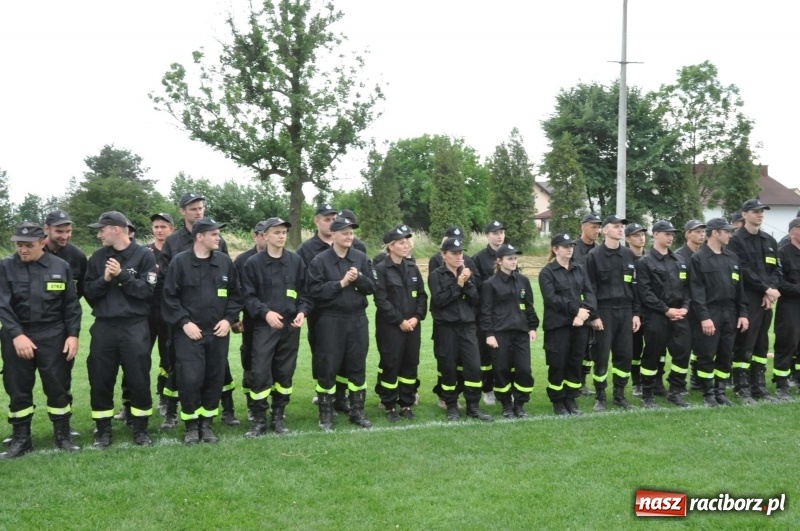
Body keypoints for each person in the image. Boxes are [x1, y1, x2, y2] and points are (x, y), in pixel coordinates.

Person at [0, 223, 81, 459]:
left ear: (43, 243)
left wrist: (73, 335)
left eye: (28, 245)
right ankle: (21, 439)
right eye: (19, 245)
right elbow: (2, 304)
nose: (23, 250)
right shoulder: (5, 266)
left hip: (53, 334)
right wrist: (17, 335)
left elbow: (71, 305)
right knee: (17, 387)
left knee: (58, 386)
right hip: (17, 335)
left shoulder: (60, 266)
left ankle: (62, 435)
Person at [161, 218, 243, 445]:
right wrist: (184, 322)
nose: (219, 238)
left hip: (217, 334)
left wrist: (228, 320)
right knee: (190, 379)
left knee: (213, 378)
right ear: (199, 236)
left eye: (218, 234)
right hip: (189, 334)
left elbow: (236, 296)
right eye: (214, 234)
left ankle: (206, 425)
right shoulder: (180, 262)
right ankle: (191, 426)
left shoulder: (224, 262)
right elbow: (169, 297)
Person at [84, 211, 157, 448]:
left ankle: (140, 429)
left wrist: (122, 275)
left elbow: (147, 292)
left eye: (101, 229)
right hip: (104, 327)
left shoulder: (144, 256)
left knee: (138, 378)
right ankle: (103, 430)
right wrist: (105, 279)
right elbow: (88, 293)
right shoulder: (97, 258)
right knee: (100, 378)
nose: (98, 235)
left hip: (134, 327)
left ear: (116, 229)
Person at [241, 217, 311, 436]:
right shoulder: (253, 263)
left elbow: (305, 292)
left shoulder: (296, 261)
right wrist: (266, 313)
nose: (281, 236)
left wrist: (302, 312)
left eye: (284, 232)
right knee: (260, 372)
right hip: (264, 327)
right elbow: (248, 296)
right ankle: (259, 420)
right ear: (265, 236)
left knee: (285, 372)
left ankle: (278, 417)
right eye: (276, 232)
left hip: (290, 327)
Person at [307, 216, 376, 430]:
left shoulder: (360, 257)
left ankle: (357, 412)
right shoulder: (320, 261)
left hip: (357, 319)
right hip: (330, 320)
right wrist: (341, 283)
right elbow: (315, 291)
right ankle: (326, 415)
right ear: (333, 235)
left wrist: (359, 279)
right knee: (328, 366)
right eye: (345, 233)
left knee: (357, 364)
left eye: (351, 233)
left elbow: (373, 287)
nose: (349, 236)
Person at [429, 237, 492, 422]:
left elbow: (475, 299)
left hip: (467, 326)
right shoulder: (436, 275)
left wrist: (467, 283)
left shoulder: (466, 272)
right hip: (446, 327)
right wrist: (458, 284)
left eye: (460, 253)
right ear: (444, 255)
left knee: (473, 367)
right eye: (454, 253)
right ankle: (451, 406)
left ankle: (473, 406)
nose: (459, 257)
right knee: (448, 367)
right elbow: (440, 301)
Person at [689, 218, 749, 406]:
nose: (730, 234)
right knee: (707, 354)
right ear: (715, 233)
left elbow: (740, 289)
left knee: (725, 353)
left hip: (730, 312)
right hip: (711, 311)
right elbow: (696, 291)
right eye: (727, 231)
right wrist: (704, 317)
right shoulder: (698, 258)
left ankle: (720, 392)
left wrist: (743, 313)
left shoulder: (732, 257)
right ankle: (708, 393)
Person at [727, 199, 782, 402]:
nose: (760, 215)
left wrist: (771, 290)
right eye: (755, 211)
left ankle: (758, 386)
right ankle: (742, 387)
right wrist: (766, 289)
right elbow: (742, 270)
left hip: (766, 299)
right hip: (747, 298)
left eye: (762, 212)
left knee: (761, 342)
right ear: (744, 214)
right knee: (745, 342)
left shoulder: (769, 240)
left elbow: (776, 269)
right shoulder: (735, 240)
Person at [585, 215, 641, 411]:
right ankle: (600, 396)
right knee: (601, 355)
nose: (620, 229)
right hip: (604, 311)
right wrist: (594, 316)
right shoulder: (594, 255)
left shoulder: (628, 254)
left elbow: (634, 286)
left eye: (621, 227)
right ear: (605, 230)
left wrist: (636, 313)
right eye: (615, 226)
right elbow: (589, 288)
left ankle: (619, 395)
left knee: (624, 354)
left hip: (625, 311)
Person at [635, 221, 692, 408]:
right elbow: (645, 293)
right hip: (657, 316)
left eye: (672, 234)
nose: (670, 237)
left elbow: (687, 288)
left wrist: (685, 307)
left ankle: (675, 391)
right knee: (652, 354)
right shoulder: (645, 262)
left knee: (682, 353)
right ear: (656, 235)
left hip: (679, 315)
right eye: (667, 234)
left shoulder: (679, 260)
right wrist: (666, 310)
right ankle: (648, 394)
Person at [373, 224, 427, 421]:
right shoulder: (381, 269)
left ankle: (406, 403)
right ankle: (389, 405)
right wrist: (400, 320)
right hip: (390, 328)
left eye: (407, 242)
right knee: (391, 363)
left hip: (412, 326)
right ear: (391, 246)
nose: (406, 246)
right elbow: (381, 300)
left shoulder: (412, 268)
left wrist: (416, 317)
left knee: (410, 364)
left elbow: (422, 296)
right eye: (401, 243)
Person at [538, 233, 596, 416]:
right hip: (558, 326)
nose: (570, 249)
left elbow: (589, 293)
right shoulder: (547, 272)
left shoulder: (579, 269)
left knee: (575, 362)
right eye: (565, 246)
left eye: (571, 246)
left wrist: (584, 315)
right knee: (558, 363)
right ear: (555, 249)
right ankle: (557, 401)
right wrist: (576, 311)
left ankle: (571, 398)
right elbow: (552, 299)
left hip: (580, 325)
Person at [480, 244, 539, 418]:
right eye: (510, 258)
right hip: (500, 334)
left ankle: (519, 404)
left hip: (520, 333)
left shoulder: (523, 281)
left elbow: (529, 306)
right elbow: (485, 311)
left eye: (515, 258)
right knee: (501, 370)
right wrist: (489, 334)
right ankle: (506, 404)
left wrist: (532, 327)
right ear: (499, 261)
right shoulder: (490, 284)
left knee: (524, 370)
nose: (514, 261)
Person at [43, 209, 87, 437]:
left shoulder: (77, 256)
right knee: (19, 380)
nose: (65, 236)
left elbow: (81, 291)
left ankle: (63, 425)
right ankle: (20, 431)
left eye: (68, 231)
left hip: (61, 326)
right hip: (31, 324)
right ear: (46, 229)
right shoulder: (33, 250)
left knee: (61, 377)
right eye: (59, 231)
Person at [296, 204, 342, 408]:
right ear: (316, 221)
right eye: (327, 219)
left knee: (346, 354)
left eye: (334, 219)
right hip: (320, 312)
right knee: (323, 354)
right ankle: (324, 393)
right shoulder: (306, 249)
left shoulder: (351, 245)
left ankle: (341, 395)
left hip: (346, 310)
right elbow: (302, 282)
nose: (331, 223)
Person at [232, 220, 269, 420]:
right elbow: (236, 291)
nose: (265, 238)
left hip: (275, 320)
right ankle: (252, 404)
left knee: (274, 363)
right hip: (251, 320)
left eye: (267, 233)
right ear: (255, 236)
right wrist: (235, 318)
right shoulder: (243, 260)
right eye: (261, 234)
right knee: (250, 361)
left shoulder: (284, 258)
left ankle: (272, 406)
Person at [472, 220, 507, 406]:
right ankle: (488, 389)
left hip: (506, 313)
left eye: (501, 232)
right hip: (486, 313)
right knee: (486, 354)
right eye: (495, 233)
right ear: (487, 236)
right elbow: (477, 288)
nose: (499, 236)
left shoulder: (509, 254)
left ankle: (504, 387)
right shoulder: (478, 258)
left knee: (505, 352)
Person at [146, 212, 174, 416]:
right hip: (146, 314)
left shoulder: (176, 252)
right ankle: (129, 402)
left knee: (167, 357)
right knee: (137, 357)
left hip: (167, 314)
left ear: (171, 229)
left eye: (163, 226)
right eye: (156, 226)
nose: (159, 230)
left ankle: (164, 397)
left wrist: (161, 271)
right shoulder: (144, 252)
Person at [572, 212, 602, 395]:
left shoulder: (599, 250)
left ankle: (582, 381)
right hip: (577, 306)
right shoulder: (573, 249)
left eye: (598, 227)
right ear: (583, 226)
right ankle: (573, 381)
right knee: (578, 345)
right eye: (593, 227)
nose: (596, 230)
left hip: (595, 304)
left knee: (591, 346)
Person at [676, 219, 706, 392]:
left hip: (702, 307)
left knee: (702, 346)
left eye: (703, 231)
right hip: (686, 308)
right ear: (687, 234)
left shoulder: (705, 254)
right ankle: (679, 383)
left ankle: (697, 378)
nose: (701, 234)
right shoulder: (679, 256)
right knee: (684, 347)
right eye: (697, 231)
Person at [772, 218, 800, 400]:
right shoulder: (782, 253)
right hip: (790, 306)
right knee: (787, 343)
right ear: (792, 232)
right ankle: (781, 384)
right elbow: (779, 283)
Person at [624, 223, 648, 398]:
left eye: (642, 235)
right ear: (628, 239)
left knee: (656, 348)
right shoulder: (624, 259)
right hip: (632, 311)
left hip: (652, 309)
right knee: (635, 347)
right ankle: (636, 382)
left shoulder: (651, 257)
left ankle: (653, 381)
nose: (641, 238)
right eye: (636, 235)